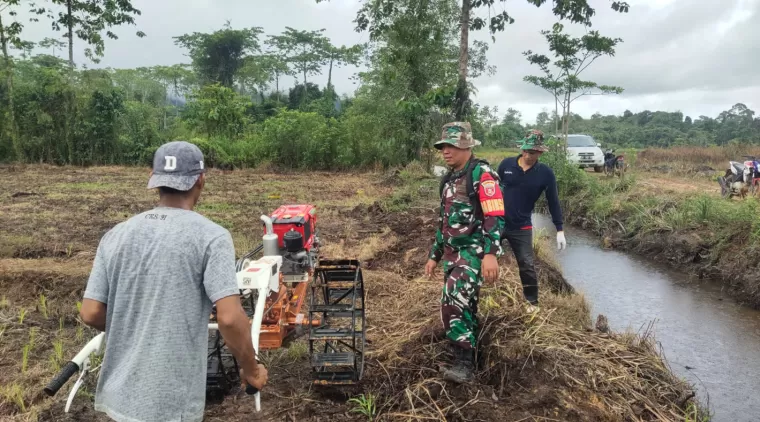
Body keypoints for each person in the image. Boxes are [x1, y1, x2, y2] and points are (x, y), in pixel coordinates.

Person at [79, 141, 268, 422]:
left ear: (154, 180)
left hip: (118, 399)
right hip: (170, 403)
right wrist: (251, 370)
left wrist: (137, 328)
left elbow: (91, 312)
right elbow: (229, 319)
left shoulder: (115, 235)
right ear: (200, 180)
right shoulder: (211, 237)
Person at [424, 122, 505, 384]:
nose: (446, 151)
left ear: (467, 146)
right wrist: (434, 255)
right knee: (465, 306)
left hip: (472, 254)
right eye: (443, 146)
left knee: (454, 303)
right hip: (451, 255)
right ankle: (470, 357)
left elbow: (495, 215)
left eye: (452, 146)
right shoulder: (449, 180)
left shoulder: (482, 174)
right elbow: (444, 222)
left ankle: (463, 366)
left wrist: (491, 254)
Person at [496, 130, 566, 311]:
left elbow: (553, 201)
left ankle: (532, 303)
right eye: (525, 150)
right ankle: (483, 293)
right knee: (484, 255)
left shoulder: (545, 174)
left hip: (521, 226)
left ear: (540, 153)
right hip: (498, 222)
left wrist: (559, 230)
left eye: (532, 152)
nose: (527, 155)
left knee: (526, 263)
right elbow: (492, 191)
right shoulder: (506, 165)